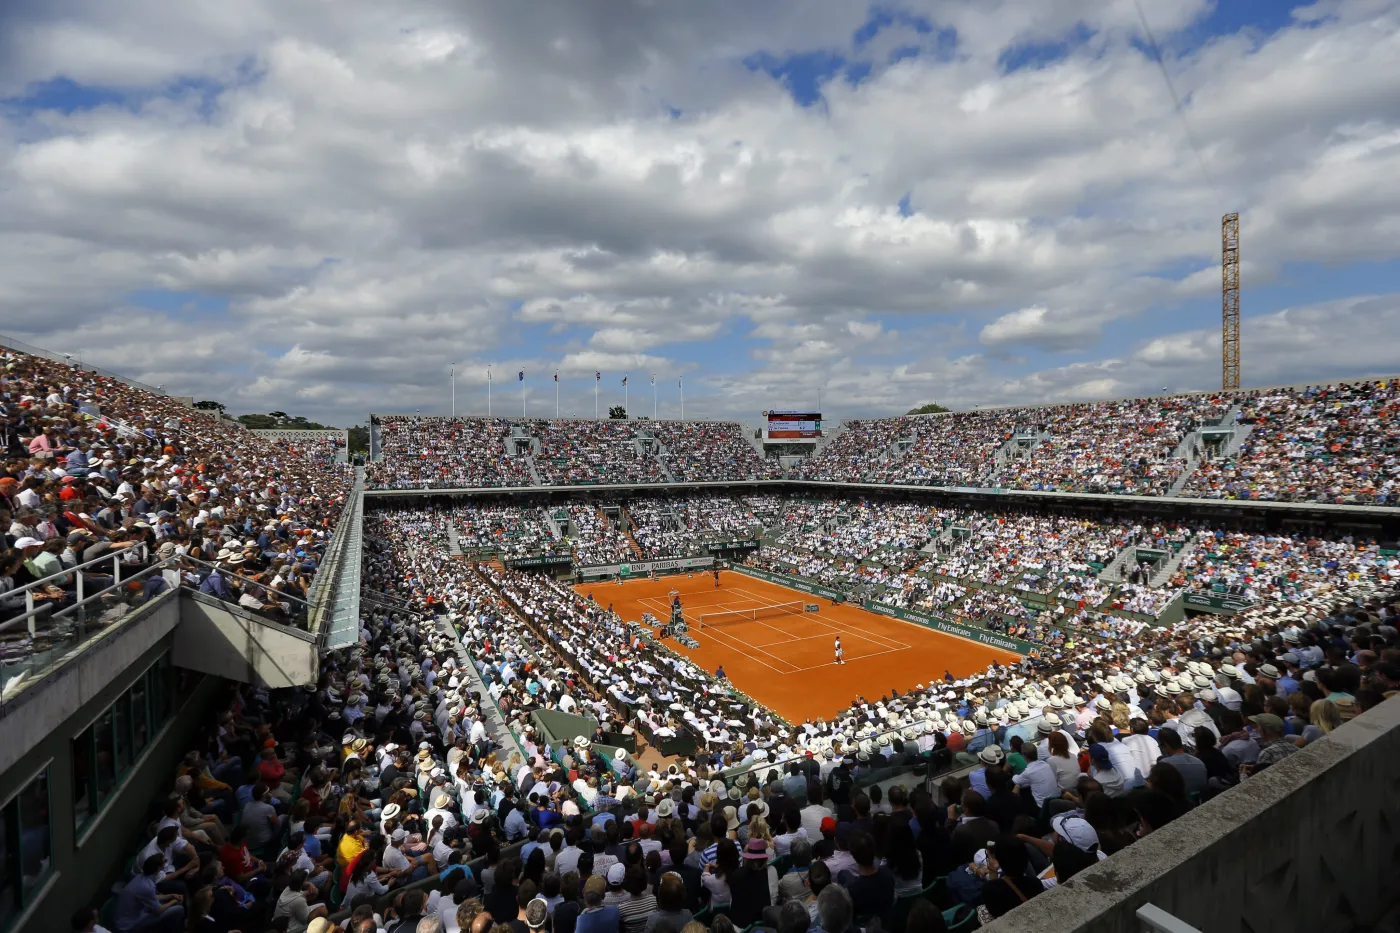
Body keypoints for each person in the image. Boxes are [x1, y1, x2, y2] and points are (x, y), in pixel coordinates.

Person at [114, 854, 186, 933]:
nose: (165, 863)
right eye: (164, 861)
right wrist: (174, 901)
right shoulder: (147, 887)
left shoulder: (141, 877)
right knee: (179, 909)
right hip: (129, 925)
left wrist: (171, 895)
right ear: (158, 867)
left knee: (164, 903)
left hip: (128, 916)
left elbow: (151, 897)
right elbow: (158, 911)